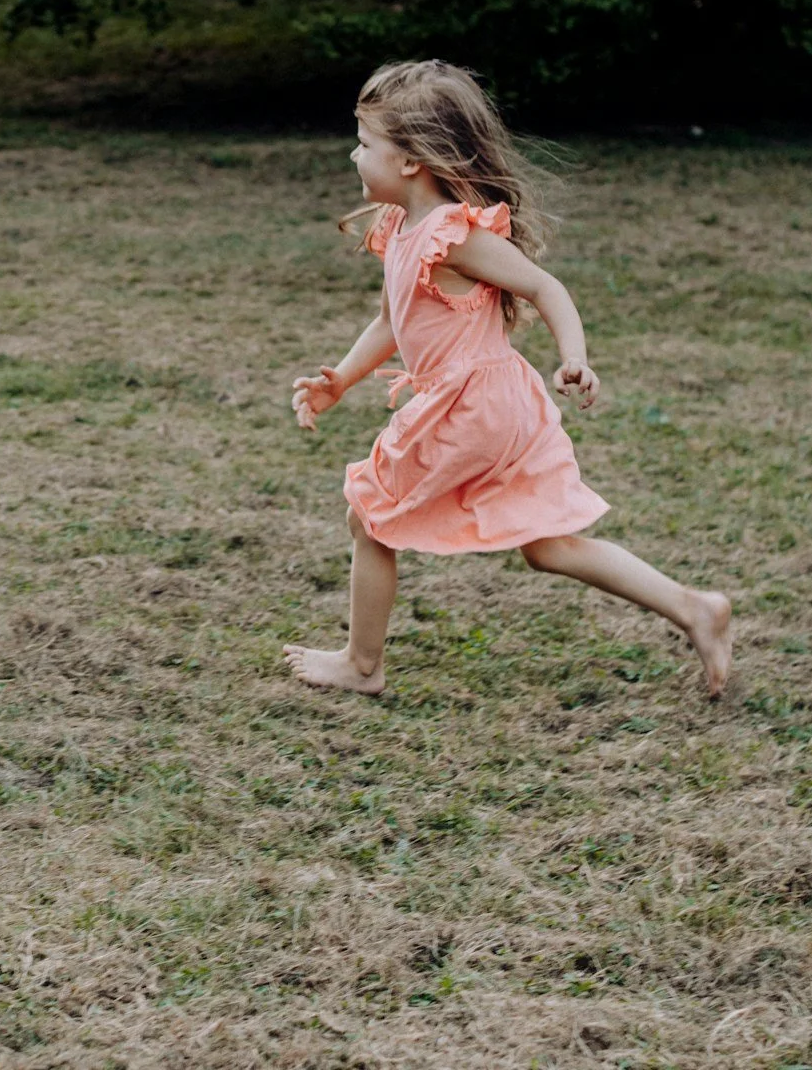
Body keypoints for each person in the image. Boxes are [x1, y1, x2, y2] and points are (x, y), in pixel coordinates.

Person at [284, 60, 733, 698]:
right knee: (548, 545)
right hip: (495, 408)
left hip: (472, 409)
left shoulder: (452, 235)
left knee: (370, 514)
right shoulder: (401, 228)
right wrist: (342, 379)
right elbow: (392, 320)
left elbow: (545, 287)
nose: (354, 153)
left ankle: (362, 664)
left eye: (364, 142)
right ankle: (696, 608)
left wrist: (574, 355)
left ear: (411, 160)